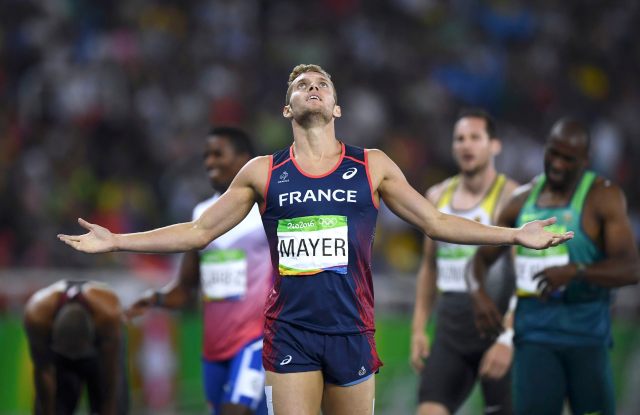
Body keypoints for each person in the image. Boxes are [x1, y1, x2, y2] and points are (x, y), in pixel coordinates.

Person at [58, 64, 573, 415]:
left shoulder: (371, 166)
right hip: (291, 332)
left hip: (352, 329)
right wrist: (118, 241)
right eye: (302, 83)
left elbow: (435, 223)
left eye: (321, 82)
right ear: (287, 110)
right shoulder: (263, 172)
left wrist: (512, 234)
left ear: (337, 107)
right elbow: (198, 231)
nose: (312, 86)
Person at [469, 118, 640, 415]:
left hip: (586, 339)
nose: (558, 164)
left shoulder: (603, 197)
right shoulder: (521, 201)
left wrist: (576, 272)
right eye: (553, 154)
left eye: (568, 159)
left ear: (585, 160)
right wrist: (478, 293)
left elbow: (630, 269)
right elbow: (480, 260)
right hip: (535, 339)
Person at [126, 127, 271, 415]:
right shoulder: (201, 217)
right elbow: (185, 288)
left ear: (245, 159)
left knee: (234, 412)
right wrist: (155, 299)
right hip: (215, 350)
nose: (209, 162)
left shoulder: (266, 210)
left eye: (218, 154)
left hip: (258, 341)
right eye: (206, 155)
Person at [410, 109, 518, 415]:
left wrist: (508, 339)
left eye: (475, 138)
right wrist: (419, 329)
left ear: (494, 145)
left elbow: (525, 275)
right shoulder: (437, 197)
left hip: (495, 325)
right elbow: (429, 268)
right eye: (459, 139)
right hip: (450, 328)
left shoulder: (511, 197)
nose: (466, 145)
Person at [23, 279, 128, 415]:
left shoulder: (108, 316)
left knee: (114, 405)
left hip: (98, 355)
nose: (74, 359)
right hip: (59, 358)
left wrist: (109, 410)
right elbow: (44, 372)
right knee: (52, 407)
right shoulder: (37, 317)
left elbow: (110, 372)